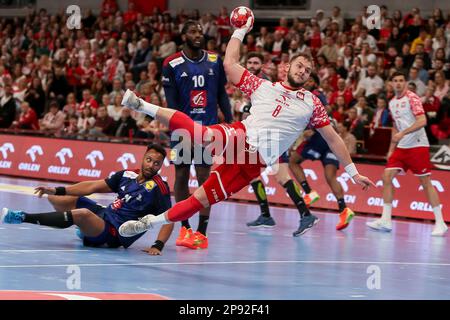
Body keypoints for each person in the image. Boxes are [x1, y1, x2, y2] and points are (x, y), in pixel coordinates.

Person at [118, 15, 374, 240]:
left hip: (254, 163)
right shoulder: (263, 86)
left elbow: (333, 139)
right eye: (299, 66)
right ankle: (141, 104)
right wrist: (240, 30)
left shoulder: (312, 103)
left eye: (308, 70)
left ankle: (148, 223)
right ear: (287, 67)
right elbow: (230, 64)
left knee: (200, 199)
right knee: (201, 134)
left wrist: (353, 172)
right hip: (242, 136)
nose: (303, 72)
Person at [0, 144, 174, 253]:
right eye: (149, 160)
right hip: (105, 214)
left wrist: (158, 245)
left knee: (82, 214)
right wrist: (57, 190)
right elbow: (93, 186)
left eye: (156, 163)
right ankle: (85, 231)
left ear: (160, 166)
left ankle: (21, 217)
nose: (151, 165)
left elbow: (170, 218)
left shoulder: (159, 188)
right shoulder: (127, 174)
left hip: (115, 233)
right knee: (59, 200)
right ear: (143, 158)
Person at [162, 20, 233, 249]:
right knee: (181, 177)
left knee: (205, 179)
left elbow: (221, 93)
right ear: (183, 36)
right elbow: (171, 105)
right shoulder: (171, 64)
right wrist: (176, 127)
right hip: (183, 130)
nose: (198, 35)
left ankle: (202, 231)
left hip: (208, 131)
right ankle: (185, 227)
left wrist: (230, 121)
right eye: (192, 31)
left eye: (199, 31)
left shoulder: (214, 59)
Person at [366, 72, 448, 236]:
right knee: (386, 177)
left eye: (401, 80)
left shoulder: (412, 98)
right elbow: (396, 127)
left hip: (418, 146)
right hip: (401, 148)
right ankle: (386, 219)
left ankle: (440, 222)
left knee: (425, 182)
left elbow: (422, 121)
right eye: (395, 81)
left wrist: (403, 134)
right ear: (391, 83)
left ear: (405, 83)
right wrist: (391, 149)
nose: (398, 83)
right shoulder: (391, 103)